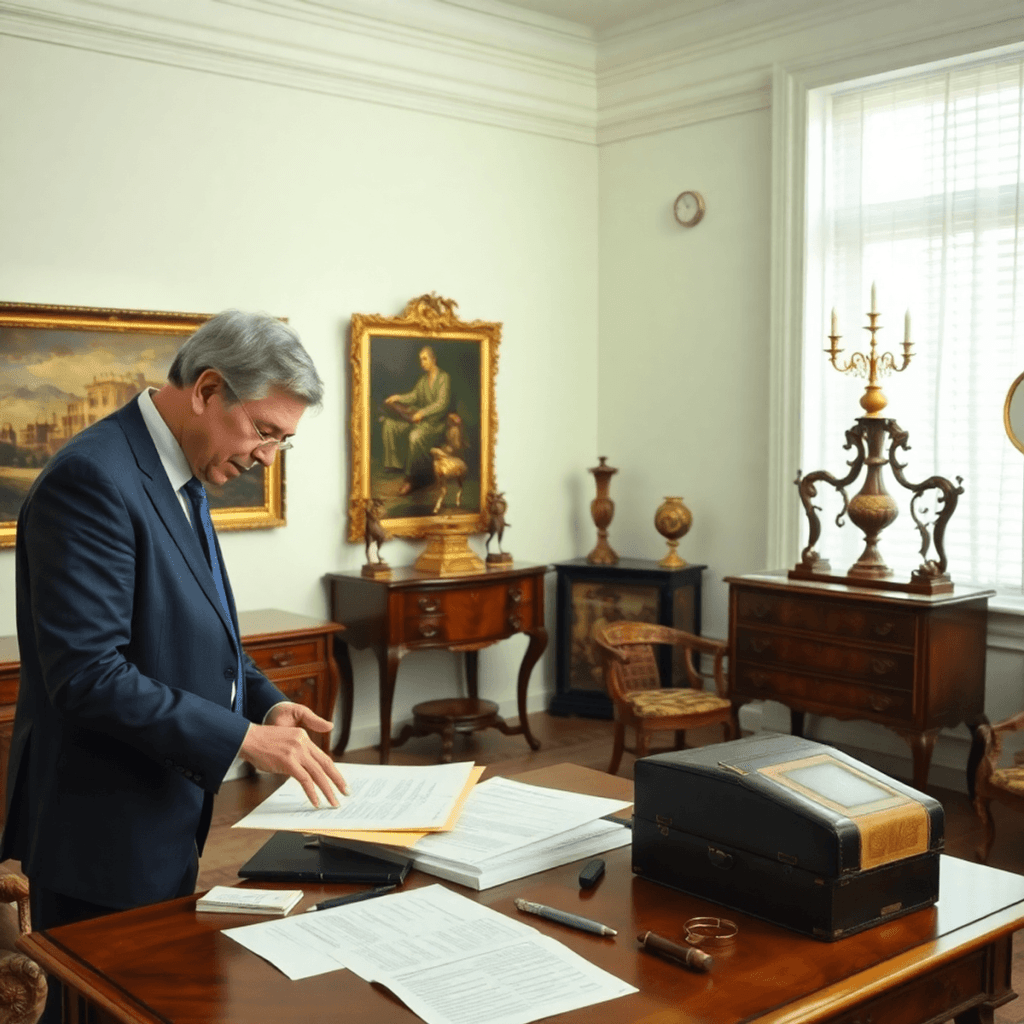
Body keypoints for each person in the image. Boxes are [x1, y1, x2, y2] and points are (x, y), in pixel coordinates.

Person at [1, 310, 348, 1024]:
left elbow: (200, 633)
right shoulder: (92, 479)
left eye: (284, 441)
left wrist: (267, 704)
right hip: (100, 827)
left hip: (157, 813)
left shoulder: (180, 469)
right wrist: (243, 740)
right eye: (264, 432)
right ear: (208, 390)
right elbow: (90, 675)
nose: (267, 458)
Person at [381, 345, 451, 494]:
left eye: (425, 359)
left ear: (433, 359)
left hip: (435, 425)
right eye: (421, 359)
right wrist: (398, 397)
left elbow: (442, 403)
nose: (422, 362)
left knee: (415, 436)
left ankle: (412, 479)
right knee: (389, 424)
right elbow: (414, 396)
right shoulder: (423, 380)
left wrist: (423, 413)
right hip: (420, 421)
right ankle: (395, 465)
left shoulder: (443, 378)